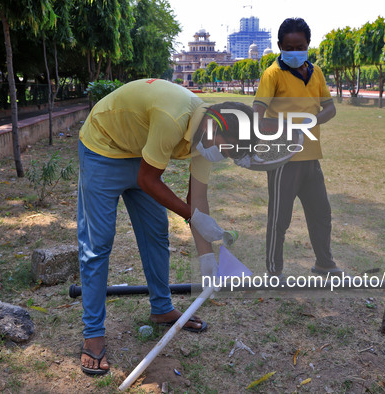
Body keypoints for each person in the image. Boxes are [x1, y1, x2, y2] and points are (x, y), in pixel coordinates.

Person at [76, 78, 255, 375]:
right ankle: (93, 332)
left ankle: (161, 309)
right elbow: (150, 181)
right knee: (98, 242)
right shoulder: (173, 117)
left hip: (140, 152)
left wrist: (207, 258)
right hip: (102, 148)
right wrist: (193, 217)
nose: (223, 156)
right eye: (226, 150)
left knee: (156, 232)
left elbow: (196, 199)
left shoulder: (208, 139)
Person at [251, 18, 343, 279]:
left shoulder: (317, 72)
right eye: (288, 47)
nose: (294, 51)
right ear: (280, 46)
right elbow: (258, 110)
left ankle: (324, 263)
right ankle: (274, 271)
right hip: (283, 159)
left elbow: (330, 108)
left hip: (311, 157)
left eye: (299, 46)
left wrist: (310, 122)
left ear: (307, 45)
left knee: (321, 214)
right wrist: (281, 128)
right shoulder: (273, 74)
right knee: (280, 219)